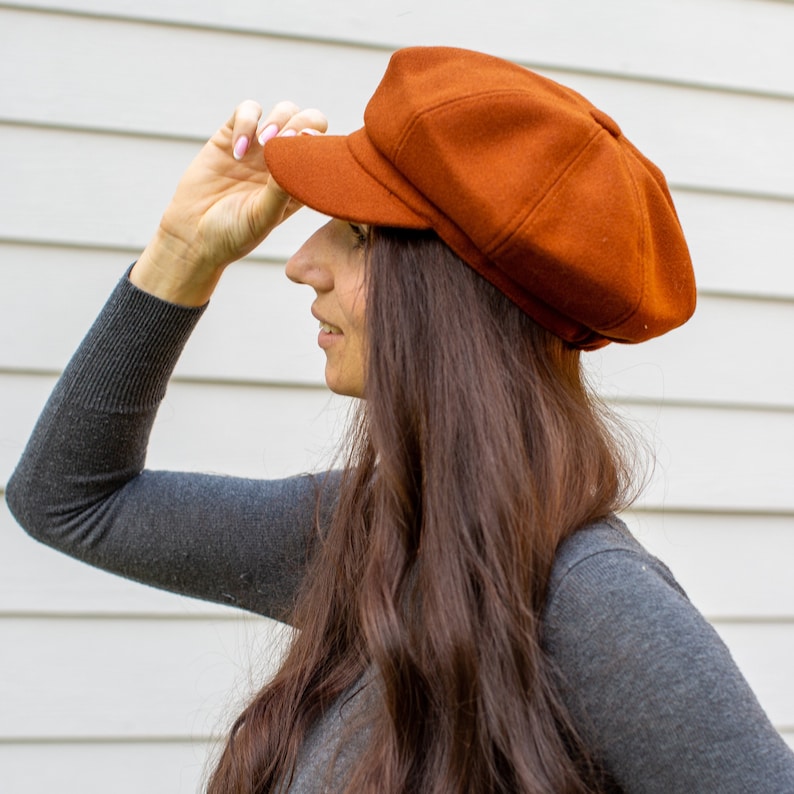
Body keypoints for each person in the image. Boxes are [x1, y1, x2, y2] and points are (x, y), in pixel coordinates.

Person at [6, 46, 794, 794]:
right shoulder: (373, 538)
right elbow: (68, 499)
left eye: (356, 235)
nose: (300, 263)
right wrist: (183, 251)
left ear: (450, 296)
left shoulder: (594, 602)